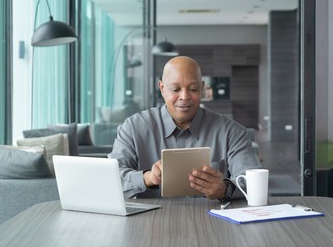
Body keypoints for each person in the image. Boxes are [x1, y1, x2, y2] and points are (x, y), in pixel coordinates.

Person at [108, 56, 261, 200]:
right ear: (162, 88)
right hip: (150, 223)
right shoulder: (133, 128)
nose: (184, 96)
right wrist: (148, 177)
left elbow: (254, 182)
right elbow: (110, 179)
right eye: (175, 89)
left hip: (215, 223)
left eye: (193, 89)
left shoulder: (231, 132)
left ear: (202, 88)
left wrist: (225, 188)